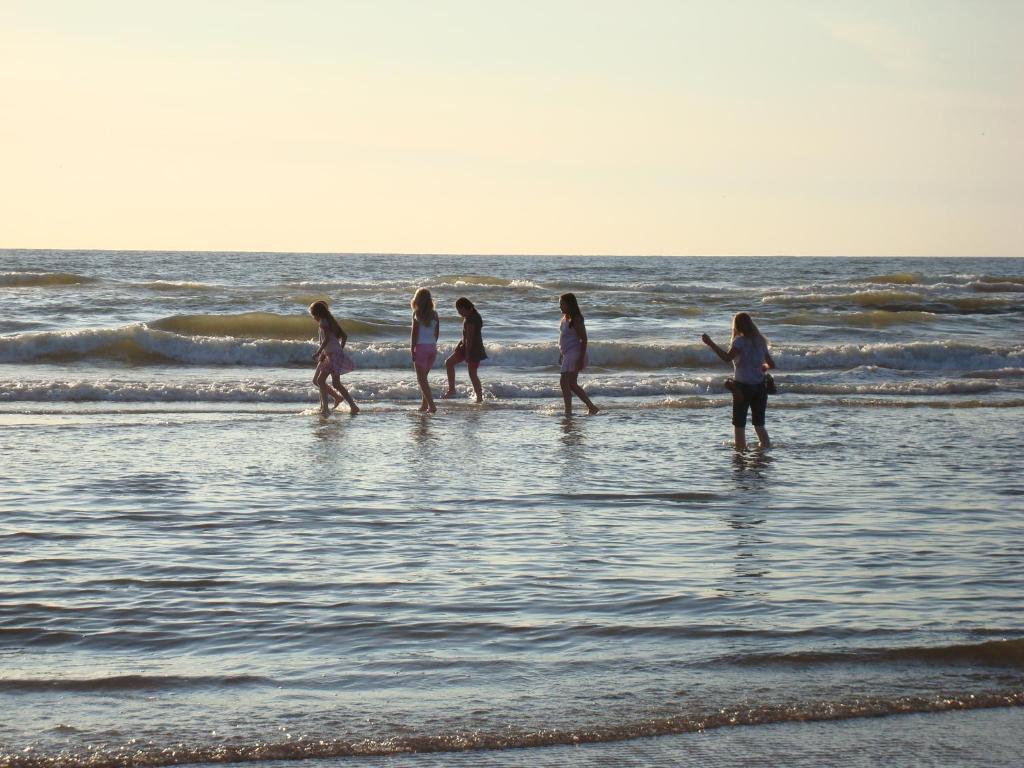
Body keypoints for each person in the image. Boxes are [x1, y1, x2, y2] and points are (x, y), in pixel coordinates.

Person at [701, 312, 775, 451]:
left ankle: (740, 456)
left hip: (742, 388)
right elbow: (771, 364)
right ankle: (764, 453)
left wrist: (711, 343)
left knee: (739, 425)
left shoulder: (740, 341)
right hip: (760, 387)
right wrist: (761, 368)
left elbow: (727, 358)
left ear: (737, 325)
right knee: (759, 424)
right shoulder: (760, 340)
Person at [308, 300, 359, 416]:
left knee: (321, 381)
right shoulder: (329, 321)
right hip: (331, 354)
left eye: (313, 315)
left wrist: (318, 352)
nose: (313, 317)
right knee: (333, 383)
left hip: (332, 355)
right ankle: (352, 406)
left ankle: (325, 409)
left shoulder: (323, 322)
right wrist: (339, 350)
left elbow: (326, 340)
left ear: (317, 313)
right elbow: (344, 337)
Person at [558, 293, 599, 416]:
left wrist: (581, 358)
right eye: (559, 304)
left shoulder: (576, 319)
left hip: (575, 353)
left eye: (562, 304)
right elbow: (565, 337)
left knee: (565, 382)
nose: (560, 306)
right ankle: (591, 407)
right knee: (571, 384)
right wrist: (562, 353)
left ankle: (568, 411)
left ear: (569, 304)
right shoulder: (565, 318)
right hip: (568, 353)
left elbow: (584, 339)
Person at [443, 297, 487, 403]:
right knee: (449, 363)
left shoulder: (471, 319)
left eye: (459, 311)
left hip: (473, 350)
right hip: (468, 347)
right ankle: (452, 389)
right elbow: (466, 336)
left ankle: (479, 398)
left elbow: (470, 338)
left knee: (472, 374)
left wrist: (467, 354)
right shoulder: (474, 315)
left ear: (464, 307)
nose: (459, 313)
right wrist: (459, 345)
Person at [410, 287, 440, 413]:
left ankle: (431, 406)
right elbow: (437, 333)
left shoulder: (416, 313)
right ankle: (424, 405)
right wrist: (432, 344)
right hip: (432, 348)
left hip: (421, 348)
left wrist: (412, 349)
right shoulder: (435, 314)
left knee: (422, 380)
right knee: (424, 379)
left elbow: (414, 334)